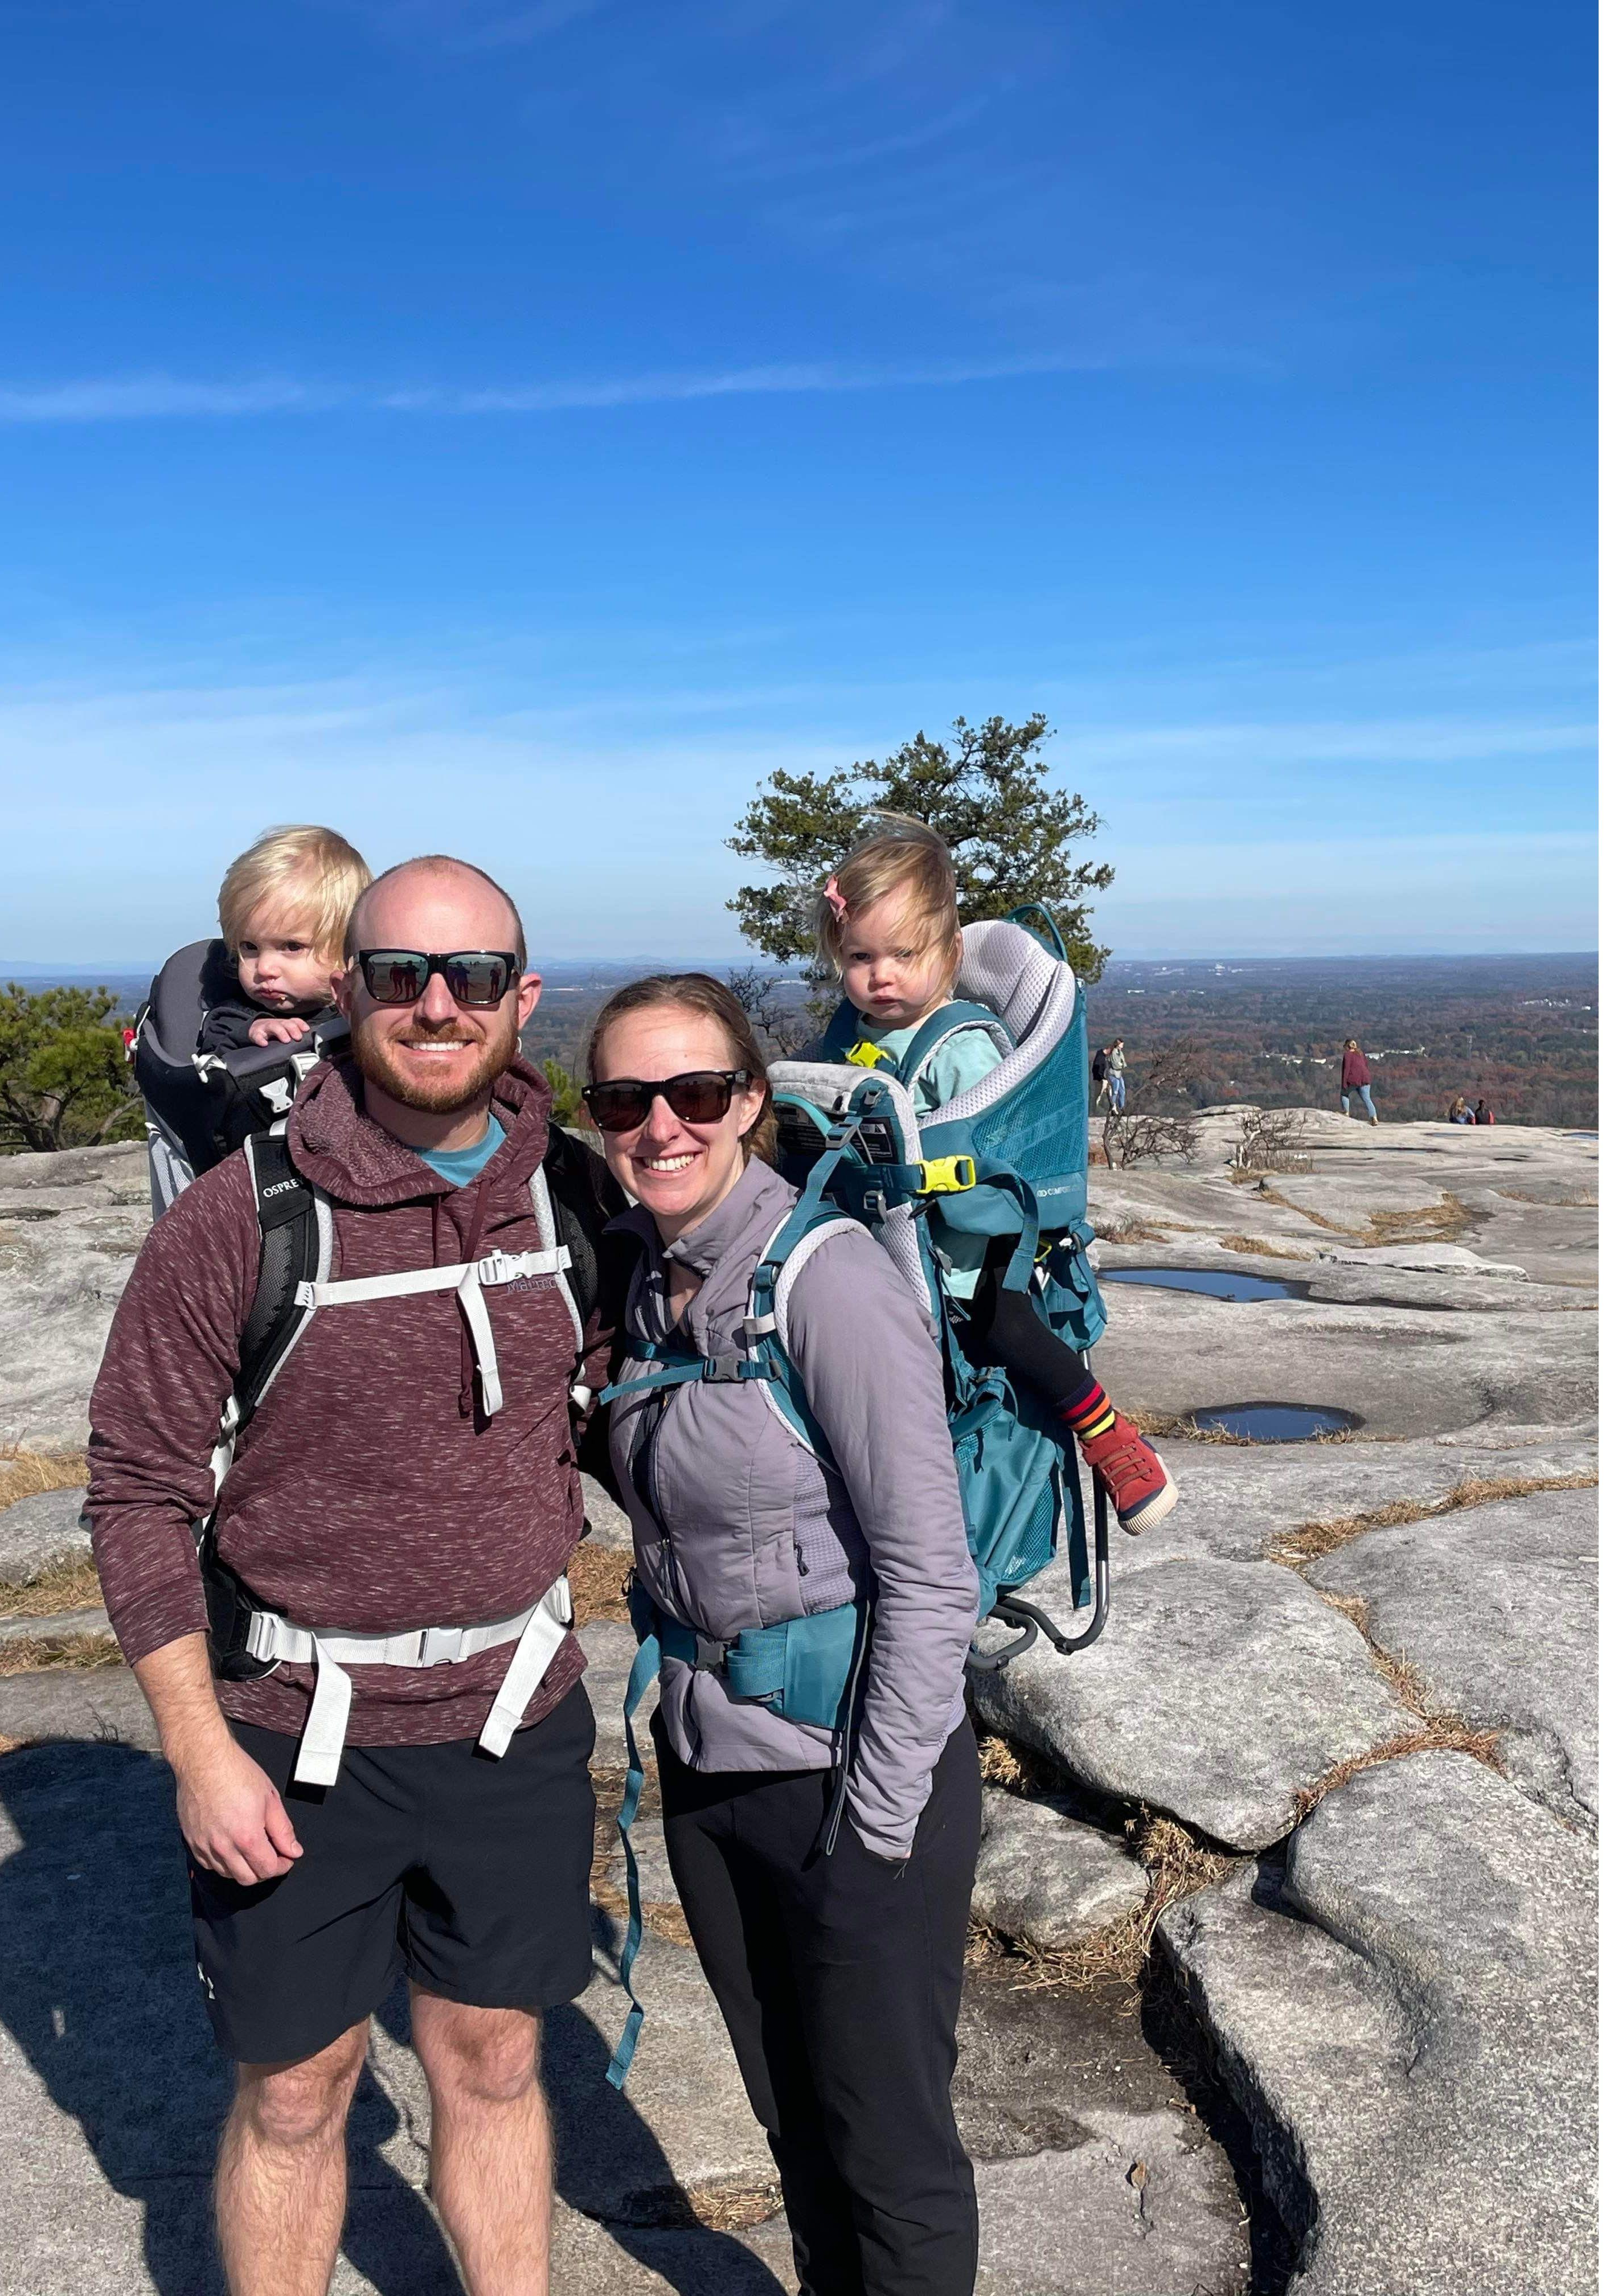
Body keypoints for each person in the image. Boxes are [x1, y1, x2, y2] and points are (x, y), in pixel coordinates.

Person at [85, 854, 616, 2296]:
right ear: (348, 991)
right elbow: (138, 1487)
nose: (438, 1006)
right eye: (401, 976)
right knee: (300, 2090)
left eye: (474, 978)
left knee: (497, 2057)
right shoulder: (241, 1219)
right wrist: (197, 1750)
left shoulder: (574, 1194)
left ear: (523, 997)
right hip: (291, 1729)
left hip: (513, 1710)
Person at [585, 973, 985, 2296]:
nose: (662, 1127)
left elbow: (935, 1576)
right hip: (712, 1779)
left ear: (751, 1104)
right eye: (627, 1101)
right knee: (795, 2129)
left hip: (858, 1778)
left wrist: (876, 1824)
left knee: (889, 2151)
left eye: (697, 1095)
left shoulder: (827, 1282)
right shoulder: (646, 1283)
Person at [814, 822, 1175, 1529]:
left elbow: (995, 1148)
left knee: (1004, 1325)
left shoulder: (961, 1045)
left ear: (949, 956)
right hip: (877, 1243)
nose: (879, 974)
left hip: (968, 1253)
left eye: (902, 954)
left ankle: (1107, 1434)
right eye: (859, 956)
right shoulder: (848, 1035)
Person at [196, 824, 373, 1052]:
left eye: (292, 947)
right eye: (250, 947)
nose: (265, 968)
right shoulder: (235, 1016)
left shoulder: (367, 1011)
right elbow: (215, 1047)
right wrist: (252, 1032)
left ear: (346, 948)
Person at [1339, 1038, 1378, 1124]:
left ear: (1348, 1047)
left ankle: (1346, 1112)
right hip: (1365, 1079)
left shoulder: (1348, 1055)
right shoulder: (1361, 1054)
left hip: (1353, 1080)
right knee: (1367, 1099)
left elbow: (1346, 1069)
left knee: (1344, 1094)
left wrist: (1344, 1083)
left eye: (1345, 1047)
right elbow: (1366, 1065)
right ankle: (1374, 1118)